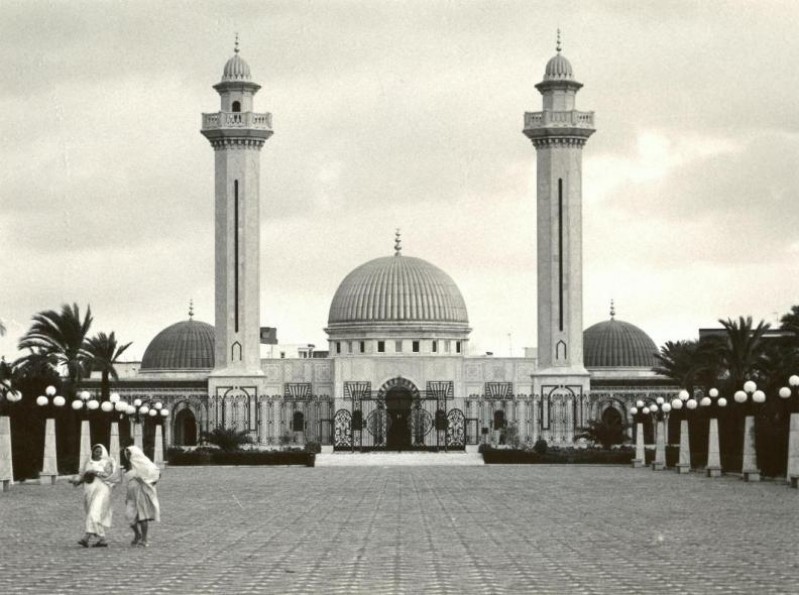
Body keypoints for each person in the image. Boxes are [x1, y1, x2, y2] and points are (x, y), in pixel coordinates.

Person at [69, 444, 118, 548]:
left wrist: (95, 472)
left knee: (94, 513)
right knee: (92, 514)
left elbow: (111, 476)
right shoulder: (88, 462)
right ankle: (94, 539)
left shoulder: (108, 462)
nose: (98, 453)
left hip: (103, 491)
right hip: (89, 492)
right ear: (93, 452)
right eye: (96, 451)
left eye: (100, 452)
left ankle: (96, 538)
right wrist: (76, 481)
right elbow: (83, 476)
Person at [123, 445, 161, 547]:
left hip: (142, 493)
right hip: (131, 494)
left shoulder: (146, 464)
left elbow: (157, 474)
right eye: (127, 453)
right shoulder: (129, 465)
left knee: (142, 516)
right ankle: (137, 534)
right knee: (129, 516)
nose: (128, 455)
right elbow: (128, 481)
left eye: (129, 453)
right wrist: (127, 496)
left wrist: (147, 482)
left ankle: (144, 539)